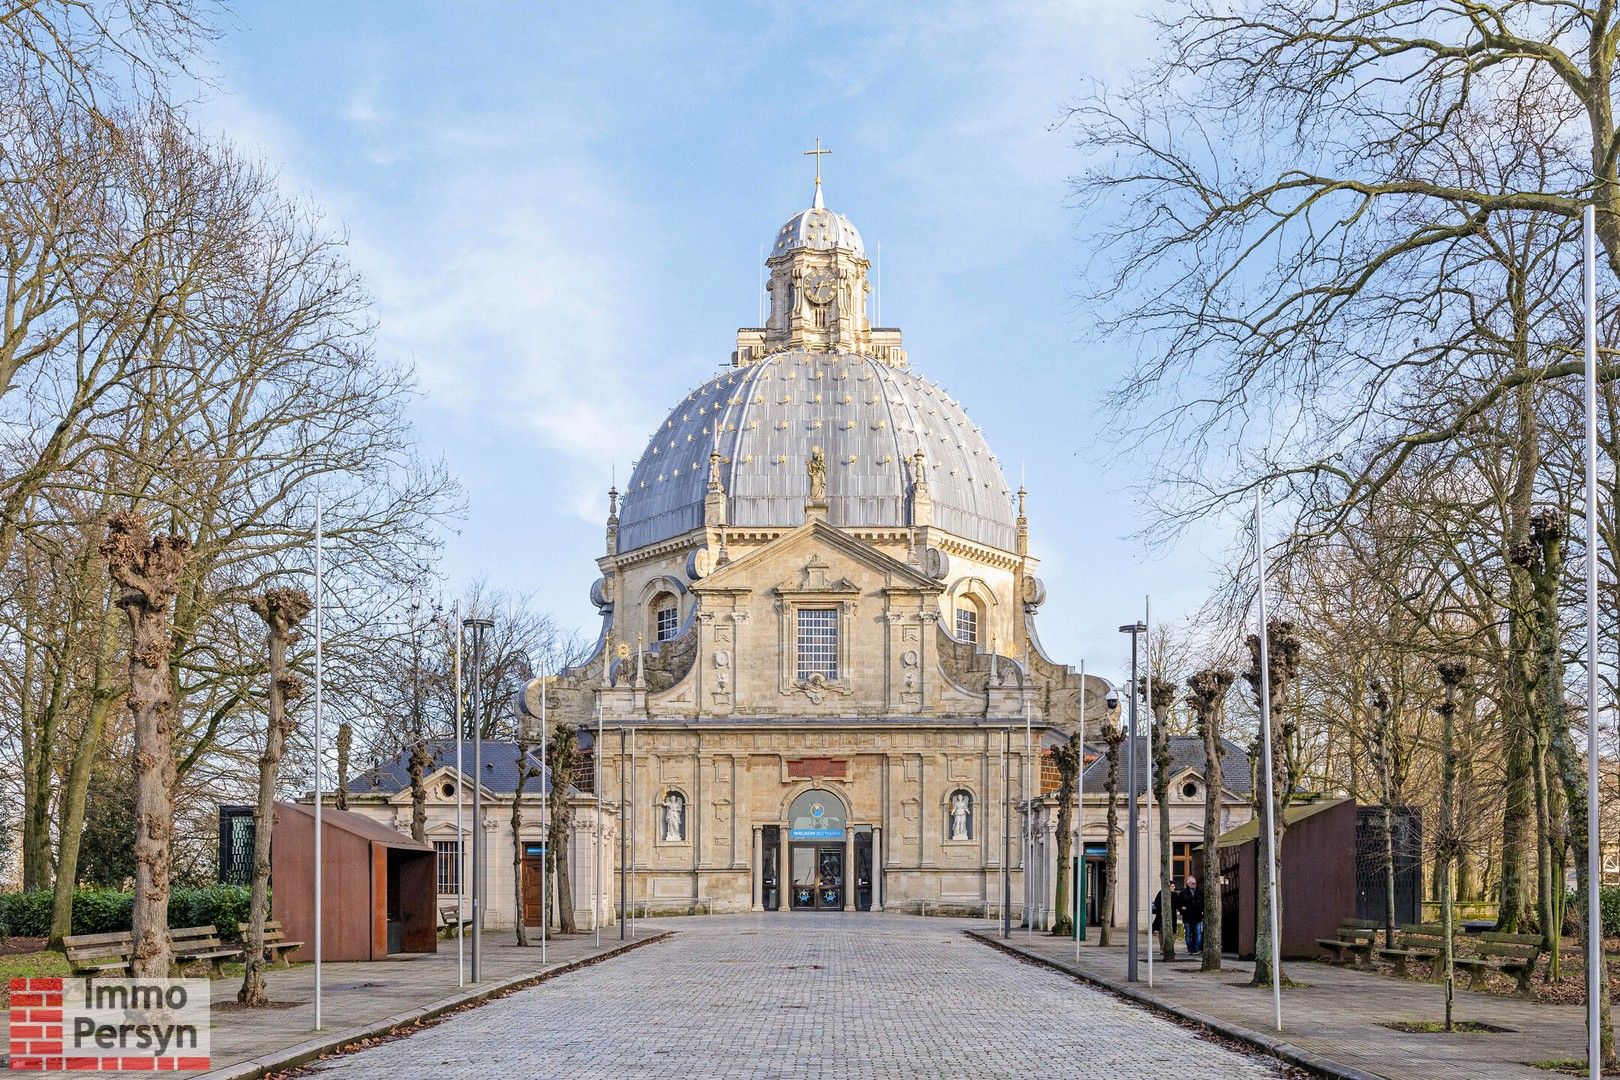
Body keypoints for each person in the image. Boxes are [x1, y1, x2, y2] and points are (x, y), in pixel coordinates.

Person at [1179, 875, 1205, 953]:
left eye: (1195, 883)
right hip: (1187, 916)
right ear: (1188, 884)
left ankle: (1197, 948)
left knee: (1198, 933)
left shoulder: (1200, 892)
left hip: (1197, 916)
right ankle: (1190, 948)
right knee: (1188, 933)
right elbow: (1179, 904)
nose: (1195, 884)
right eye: (1193, 883)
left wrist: (1202, 911)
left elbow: (1202, 903)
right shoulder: (1183, 893)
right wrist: (1182, 909)